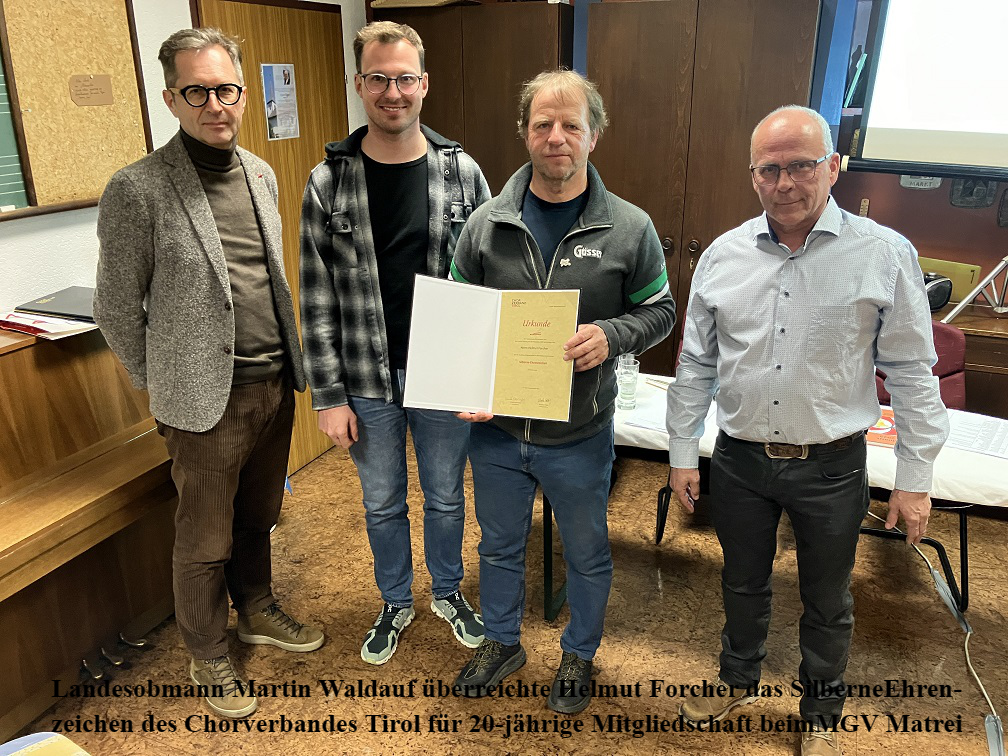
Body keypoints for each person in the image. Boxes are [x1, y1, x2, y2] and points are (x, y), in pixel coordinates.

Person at [666, 105, 949, 755]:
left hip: (831, 466)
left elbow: (911, 371)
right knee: (741, 582)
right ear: (753, 175)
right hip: (739, 460)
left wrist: (915, 477)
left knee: (827, 598)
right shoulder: (723, 256)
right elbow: (697, 364)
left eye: (801, 165)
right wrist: (683, 451)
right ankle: (738, 678)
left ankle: (821, 711)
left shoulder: (884, 255)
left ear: (833, 167)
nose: (785, 183)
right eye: (769, 169)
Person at [93, 28, 323, 720]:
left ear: (244, 94)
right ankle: (206, 651)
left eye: (226, 89)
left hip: (273, 383)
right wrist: (161, 382)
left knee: (259, 515)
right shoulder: (137, 189)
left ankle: (256, 609)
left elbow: (263, 280)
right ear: (171, 99)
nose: (215, 105)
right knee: (204, 538)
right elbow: (115, 307)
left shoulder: (259, 172)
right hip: (201, 403)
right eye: (197, 92)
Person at [448, 70, 675, 714]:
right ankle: (502, 642)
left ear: (594, 136)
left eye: (571, 125)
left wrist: (612, 335)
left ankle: (579, 652)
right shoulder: (486, 224)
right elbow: (459, 315)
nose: (556, 137)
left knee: (587, 552)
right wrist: (465, 380)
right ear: (524, 132)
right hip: (496, 432)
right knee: (497, 547)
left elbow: (661, 311)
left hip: (578, 434)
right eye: (543, 124)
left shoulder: (630, 227)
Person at [299, 21, 490, 666]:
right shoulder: (328, 182)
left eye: (405, 78)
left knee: (445, 496)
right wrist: (328, 397)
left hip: (444, 373)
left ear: (424, 84)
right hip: (364, 378)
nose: (392, 92)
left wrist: (485, 374)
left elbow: (492, 277)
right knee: (382, 502)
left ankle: (448, 592)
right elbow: (316, 298)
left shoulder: (462, 173)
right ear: (359, 84)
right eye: (378, 78)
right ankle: (395, 600)